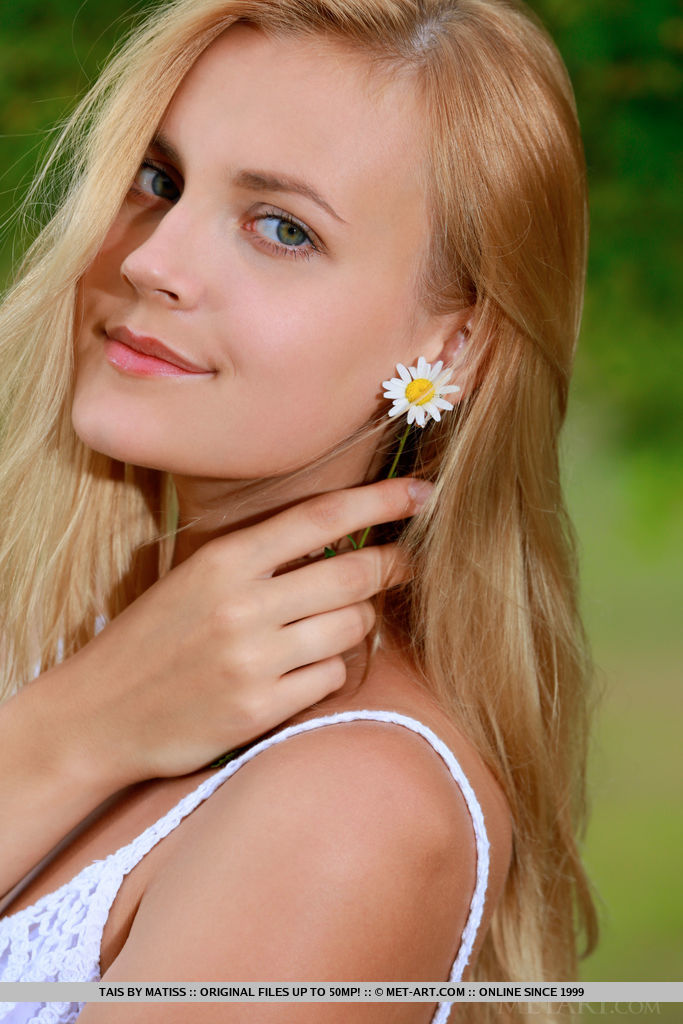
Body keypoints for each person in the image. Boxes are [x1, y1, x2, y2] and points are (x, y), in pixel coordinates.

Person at [0, 0, 598, 1020]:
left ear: (453, 347)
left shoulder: (352, 810)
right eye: (157, 179)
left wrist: (69, 739)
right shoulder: (57, 631)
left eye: (282, 228)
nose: (149, 260)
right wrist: (77, 725)